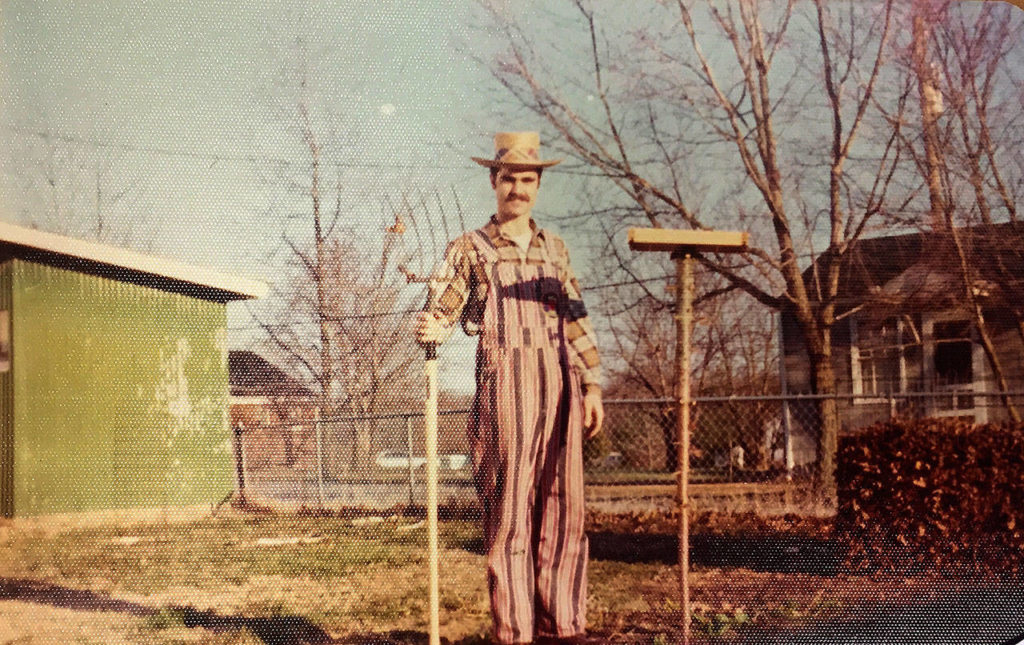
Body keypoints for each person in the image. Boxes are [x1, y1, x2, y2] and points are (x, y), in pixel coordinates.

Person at [415, 131, 604, 645]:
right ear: (493, 182)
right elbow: (443, 310)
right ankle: (515, 631)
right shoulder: (469, 249)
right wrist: (432, 326)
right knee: (511, 513)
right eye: (508, 179)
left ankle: (563, 626)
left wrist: (592, 384)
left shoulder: (555, 250)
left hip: (561, 388)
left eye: (527, 180)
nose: (517, 189)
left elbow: (577, 322)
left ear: (538, 185)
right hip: (506, 391)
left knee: (564, 509)